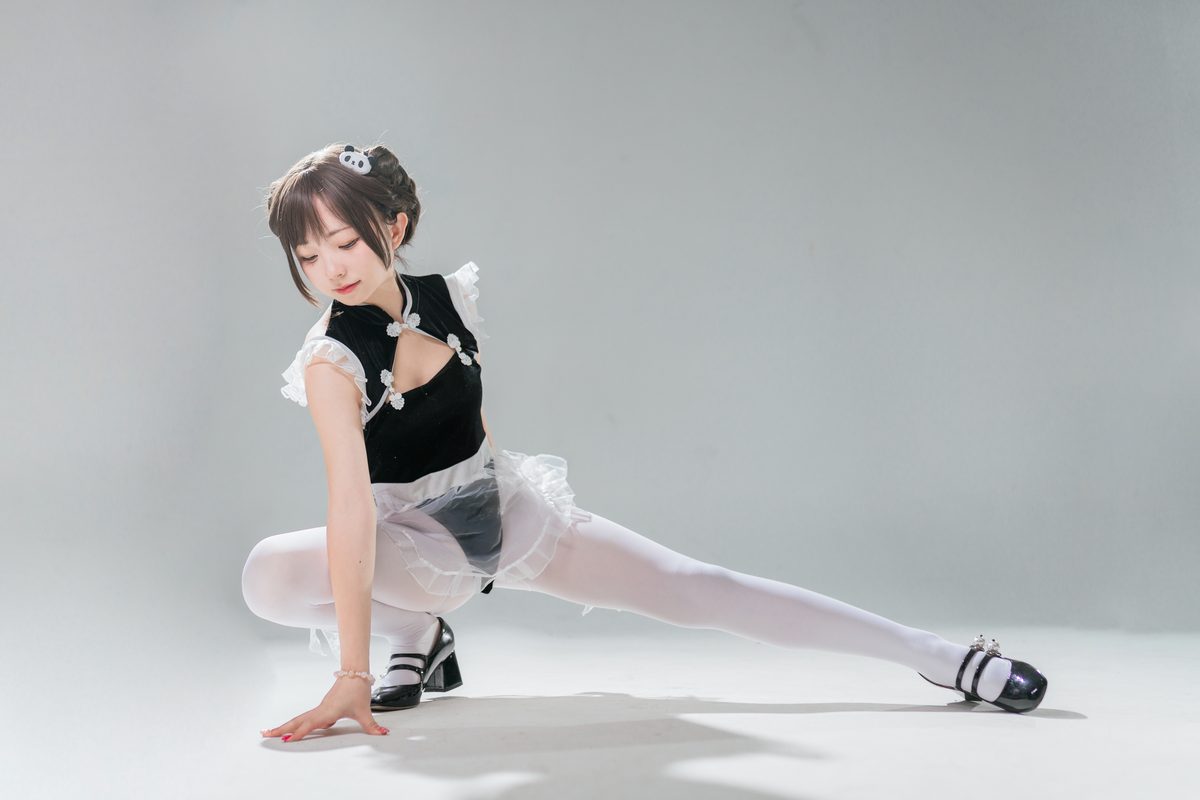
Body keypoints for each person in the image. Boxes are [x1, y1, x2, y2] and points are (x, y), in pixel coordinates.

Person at [241, 142, 1048, 743]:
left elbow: (469, 421)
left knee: (696, 585)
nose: (330, 268)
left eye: (345, 242)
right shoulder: (333, 361)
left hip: (502, 511)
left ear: (394, 224)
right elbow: (349, 509)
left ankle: (943, 657)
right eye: (308, 255)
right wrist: (350, 673)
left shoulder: (447, 296)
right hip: (409, 544)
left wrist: (501, 502)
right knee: (268, 576)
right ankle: (411, 637)